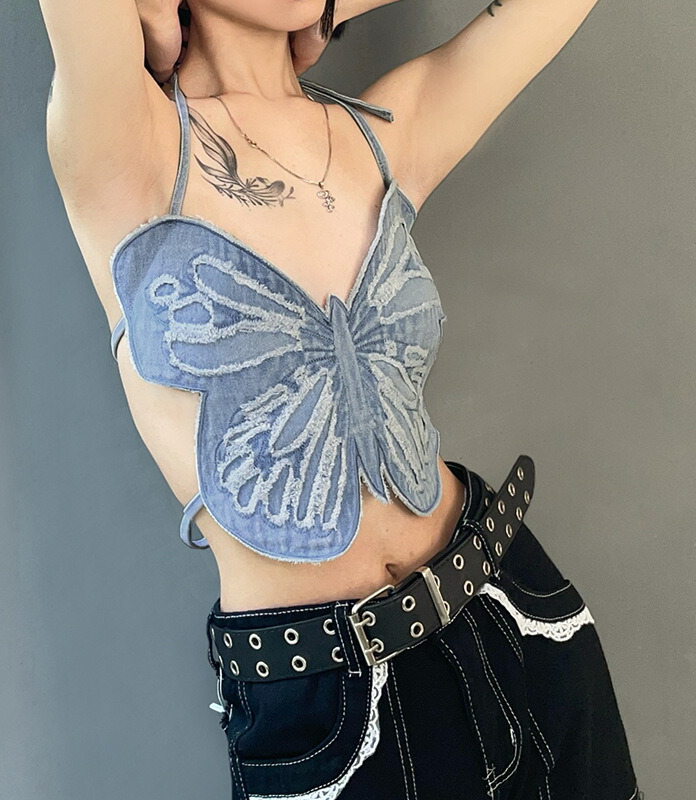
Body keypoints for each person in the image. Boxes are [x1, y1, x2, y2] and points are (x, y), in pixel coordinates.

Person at [38, 0, 642, 796]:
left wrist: (327, 1)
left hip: (514, 615)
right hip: (331, 709)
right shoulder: (125, 138)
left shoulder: (382, 129)